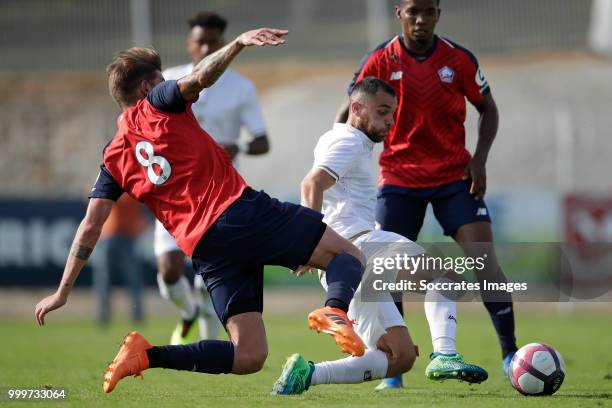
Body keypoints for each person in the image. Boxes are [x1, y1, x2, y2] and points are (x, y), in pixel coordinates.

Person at [34, 27, 368, 394]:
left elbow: (90, 227)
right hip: (237, 213)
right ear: (147, 87)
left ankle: (146, 355)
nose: (167, 83)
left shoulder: (112, 157)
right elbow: (200, 77)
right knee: (347, 254)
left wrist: (62, 291)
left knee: (249, 355)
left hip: (206, 248)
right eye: (161, 78)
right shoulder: (158, 102)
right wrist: (238, 43)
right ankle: (334, 309)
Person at [336, 0, 518, 388]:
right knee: (386, 272)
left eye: (429, 12)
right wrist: (344, 161)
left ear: (439, 14)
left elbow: (489, 109)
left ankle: (510, 354)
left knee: (485, 264)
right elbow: (348, 111)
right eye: (413, 11)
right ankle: (393, 370)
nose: (421, 20)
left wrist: (480, 159)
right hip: (399, 181)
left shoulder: (459, 59)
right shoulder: (380, 60)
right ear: (398, 12)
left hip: (455, 178)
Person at [271, 77, 487, 395]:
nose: (389, 121)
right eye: (383, 111)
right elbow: (311, 184)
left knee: (399, 358)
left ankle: (307, 374)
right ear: (356, 108)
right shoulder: (349, 140)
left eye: (392, 113)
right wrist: (308, 242)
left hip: (344, 263)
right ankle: (444, 353)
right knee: (444, 275)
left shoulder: (344, 139)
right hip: (360, 244)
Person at [155, 11, 271, 346]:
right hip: (175, 190)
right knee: (169, 270)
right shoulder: (170, 81)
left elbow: (263, 141)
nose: (205, 47)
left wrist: (239, 145)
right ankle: (188, 311)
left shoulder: (241, 87)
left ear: (223, 43)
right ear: (189, 43)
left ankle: (205, 345)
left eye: (212, 41)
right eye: (199, 41)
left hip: (219, 192)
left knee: (210, 277)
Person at [92, 194, 148, 325]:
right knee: (131, 279)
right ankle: (134, 314)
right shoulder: (133, 191)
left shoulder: (115, 189)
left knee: (107, 278)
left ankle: (105, 315)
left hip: (118, 237)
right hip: (117, 237)